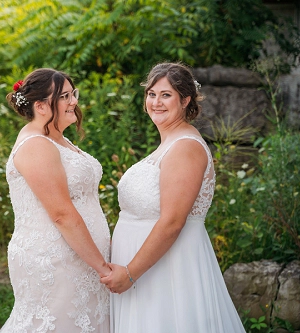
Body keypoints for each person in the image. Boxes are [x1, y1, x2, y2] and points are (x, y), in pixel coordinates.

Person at [101, 62, 245, 333]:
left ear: (185, 100)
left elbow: (172, 222)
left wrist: (130, 273)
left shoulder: (186, 147)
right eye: (151, 94)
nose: (156, 102)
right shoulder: (168, 143)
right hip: (146, 268)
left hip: (168, 270)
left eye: (166, 95)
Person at [0, 68, 112, 333]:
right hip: (55, 260)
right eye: (64, 96)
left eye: (73, 93)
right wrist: (103, 268)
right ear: (40, 106)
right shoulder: (36, 145)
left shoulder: (57, 139)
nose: (73, 101)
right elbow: (61, 213)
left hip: (78, 257)